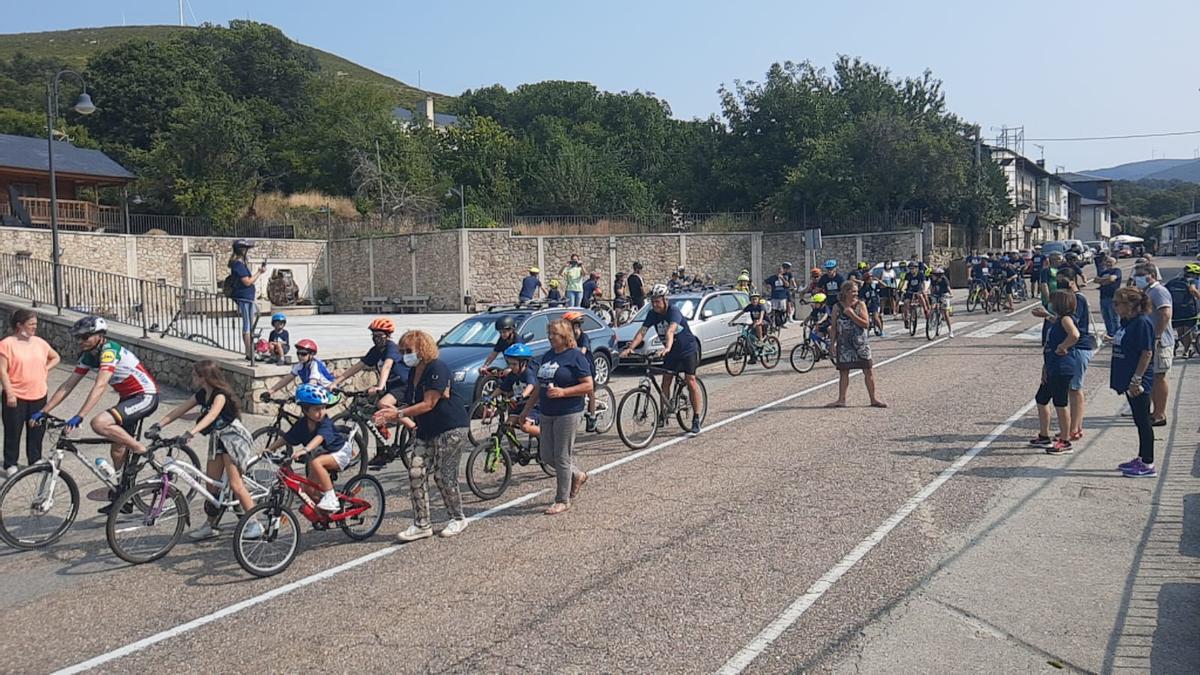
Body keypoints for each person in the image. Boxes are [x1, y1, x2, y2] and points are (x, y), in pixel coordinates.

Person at [35, 316, 158, 513]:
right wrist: (44, 411)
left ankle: (142, 450)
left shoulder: (109, 351)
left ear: (99, 336)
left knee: (99, 423)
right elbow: (68, 385)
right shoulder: (88, 355)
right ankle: (124, 496)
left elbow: (100, 385)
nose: (81, 341)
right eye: (78, 338)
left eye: (85, 337)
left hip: (145, 396)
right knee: (117, 450)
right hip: (128, 398)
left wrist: (80, 415)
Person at [375, 330, 470, 539]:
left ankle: (457, 518)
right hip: (426, 429)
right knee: (416, 472)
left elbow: (429, 403)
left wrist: (397, 414)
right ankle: (422, 524)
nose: (404, 355)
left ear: (422, 349)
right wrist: (389, 412)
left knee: (444, 476)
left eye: (408, 350)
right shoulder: (412, 374)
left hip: (450, 427)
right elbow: (412, 402)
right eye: (401, 351)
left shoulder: (437, 368)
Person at [151, 360, 260, 540]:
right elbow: (180, 409)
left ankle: (256, 523)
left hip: (233, 438)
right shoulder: (203, 394)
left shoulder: (220, 395)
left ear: (204, 377)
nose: (192, 377)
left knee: (235, 484)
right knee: (211, 486)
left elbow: (212, 415)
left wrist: (190, 432)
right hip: (218, 439)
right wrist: (158, 425)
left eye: (195, 375)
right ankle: (210, 525)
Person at [519, 320, 592, 515]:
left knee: (561, 456)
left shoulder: (576, 357)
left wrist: (563, 392)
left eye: (555, 334)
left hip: (568, 411)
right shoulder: (548, 356)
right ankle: (577, 474)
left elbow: (588, 386)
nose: (551, 337)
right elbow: (538, 387)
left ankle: (562, 499)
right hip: (547, 411)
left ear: (565, 336)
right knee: (546, 455)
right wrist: (526, 410)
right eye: (549, 333)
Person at [620, 284, 704, 434]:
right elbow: (642, 332)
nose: (655, 304)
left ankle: (696, 418)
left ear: (665, 300)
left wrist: (667, 347)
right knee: (666, 381)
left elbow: (671, 330)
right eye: (653, 302)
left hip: (687, 350)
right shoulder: (653, 314)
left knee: (690, 380)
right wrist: (631, 348)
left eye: (658, 301)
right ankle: (663, 414)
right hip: (670, 352)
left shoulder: (674, 311)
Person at [264, 384, 357, 512]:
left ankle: (331, 499)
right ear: (305, 410)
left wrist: (305, 450)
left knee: (316, 462)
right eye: (317, 409)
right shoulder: (302, 424)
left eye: (324, 408)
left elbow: (319, 438)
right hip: (322, 454)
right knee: (308, 489)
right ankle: (326, 512)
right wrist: (270, 449)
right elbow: (287, 437)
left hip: (340, 452)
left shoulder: (325, 423)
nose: (321, 412)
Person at [330, 318, 408, 468]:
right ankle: (382, 450)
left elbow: (387, 366)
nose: (376, 339)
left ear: (388, 336)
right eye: (374, 335)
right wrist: (336, 382)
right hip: (389, 386)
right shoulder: (375, 351)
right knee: (368, 409)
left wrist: (379, 386)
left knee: (382, 403)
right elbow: (357, 367)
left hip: (402, 385)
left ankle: (407, 421)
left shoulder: (392, 348)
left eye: (380, 336)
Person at [0, 309, 59, 476]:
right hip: (16, 395)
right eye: (31, 324)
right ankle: (10, 463)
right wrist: (9, 392)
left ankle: (35, 459)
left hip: (38, 394)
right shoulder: (7, 344)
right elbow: (2, 371)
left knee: (37, 430)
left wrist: (44, 370)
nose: (35, 327)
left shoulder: (39, 342)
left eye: (35, 324)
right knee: (13, 430)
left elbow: (55, 357)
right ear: (19, 325)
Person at [1110, 287, 1158, 477]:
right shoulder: (1127, 321)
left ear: (1131, 305)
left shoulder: (1142, 323)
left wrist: (1137, 379)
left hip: (1138, 380)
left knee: (1144, 421)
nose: (1115, 307)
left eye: (1118, 303)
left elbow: (1147, 352)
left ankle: (1148, 463)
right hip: (1127, 376)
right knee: (1139, 420)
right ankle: (1141, 457)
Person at [1030, 291, 1081, 455]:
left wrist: (1063, 346)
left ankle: (1065, 441)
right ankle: (1044, 435)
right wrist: (1045, 367)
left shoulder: (1066, 319)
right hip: (1052, 366)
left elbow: (1075, 335)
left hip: (1062, 367)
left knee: (1060, 403)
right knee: (1041, 398)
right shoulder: (1058, 320)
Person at [1049, 269, 1096, 440]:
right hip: (1075, 346)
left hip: (1079, 347)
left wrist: (1063, 345)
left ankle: (1074, 428)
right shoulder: (1071, 297)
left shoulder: (1077, 298)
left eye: (1062, 280)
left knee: (1075, 388)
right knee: (1072, 388)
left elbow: (1072, 326)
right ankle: (1073, 427)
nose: (1059, 283)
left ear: (1071, 281)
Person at [827, 283, 886, 408]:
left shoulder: (860, 305)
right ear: (846, 292)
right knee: (844, 372)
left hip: (860, 344)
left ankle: (873, 399)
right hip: (844, 344)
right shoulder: (837, 307)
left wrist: (852, 315)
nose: (856, 294)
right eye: (853, 291)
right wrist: (832, 343)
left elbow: (866, 324)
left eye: (856, 291)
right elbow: (833, 327)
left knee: (868, 370)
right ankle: (841, 399)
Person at [1132, 263, 1173, 426]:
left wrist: (1157, 336)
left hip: (1160, 342)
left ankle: (1159, 414)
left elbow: (1165, 314)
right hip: (1150, 340)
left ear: (1152, 275)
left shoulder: (1158, 291)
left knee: (1159, 377)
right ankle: (1152, 411)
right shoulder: (1148, 291)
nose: (1138, 277)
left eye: (1141, 274)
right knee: (1151, 377)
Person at [228, 239, 267, 362]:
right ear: (242, 250)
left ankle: (250, 351)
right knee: (247, 326)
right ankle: (249, 353)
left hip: (247, 298)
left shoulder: (239, 264)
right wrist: (259, 272)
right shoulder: (238, 265)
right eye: (246, 249)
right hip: (244, 298)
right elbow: (247, 282)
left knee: (250, 324)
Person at [562, 311, 601, 432]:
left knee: (589, 391)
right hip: (574, 367)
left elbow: (582, 351)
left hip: (587, 367)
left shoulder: (584, 337)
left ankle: (593, 416)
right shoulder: (567, 337)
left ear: (576, 326)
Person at [262, 338, 334, 400]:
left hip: (330, 393)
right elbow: (287, 379)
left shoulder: (315, 365)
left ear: (311, 354)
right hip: (316, 392)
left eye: (303, 354)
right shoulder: (300, 365)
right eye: (298, 353)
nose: (300, 356)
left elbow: (313, 382)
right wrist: (270, 391)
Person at [498, 343, 540, 437]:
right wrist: (489, 397)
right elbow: (501, 388)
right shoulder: (512, 375)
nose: (511, 366)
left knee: (525, 427)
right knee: (507, 426)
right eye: (509, 364)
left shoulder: (528, 373)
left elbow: (531, 385)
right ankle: (513, 450)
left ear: (523, 363)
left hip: (533, 407)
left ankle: (547, 437)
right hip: (519, 406)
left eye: (514, 364)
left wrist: (522, 395)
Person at [1165, 263, 1200, 357]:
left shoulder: (1173, 281)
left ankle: (1179, 346)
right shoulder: (1192, 281)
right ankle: (1185, 351)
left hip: (1176, 310)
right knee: (1188, 331)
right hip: (1189, 310)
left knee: (1180, 332)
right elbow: (1193, 290)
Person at [1094, 256, 1123, 338]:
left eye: (1110, 262)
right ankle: (1110, 334)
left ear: (1115, 263)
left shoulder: (1117, 271)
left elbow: (1112, 279)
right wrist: (1105, 281)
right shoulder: (1103, 272)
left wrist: (1103, 281)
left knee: (1114, 317)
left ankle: (1117, 335)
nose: (1108, 263)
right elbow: (1095, 280)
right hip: (1103, 297)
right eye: (1107, 262)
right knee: (1106, 317)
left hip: (1113, 297)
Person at [929, 268, 955, 337]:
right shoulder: (932, 280)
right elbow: (931, 287)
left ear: (938, 276)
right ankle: (931, 320)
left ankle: (950, 331)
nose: (932, 276)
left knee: (945, 313)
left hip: (944, 294)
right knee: (933, 307)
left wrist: (951, 294)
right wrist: (930, 294)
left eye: (934, 275)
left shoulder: (944, 279)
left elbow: (948, 287)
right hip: (936, 294)